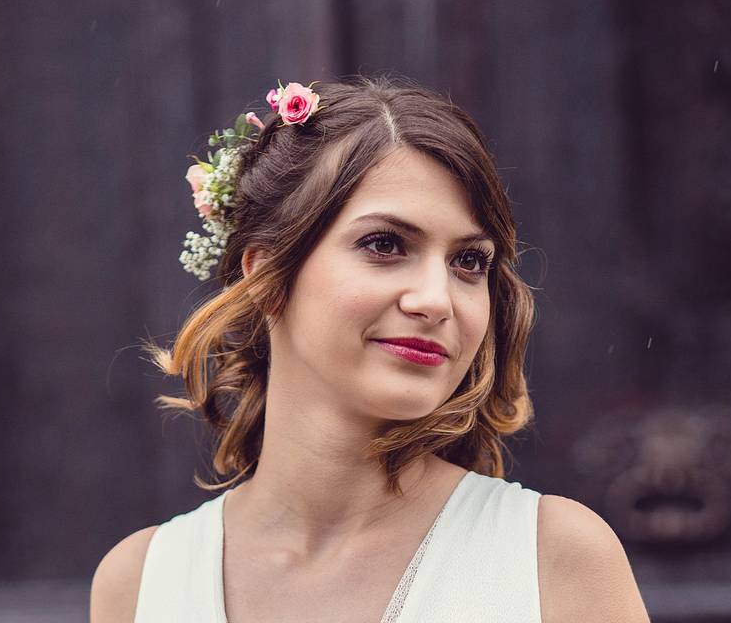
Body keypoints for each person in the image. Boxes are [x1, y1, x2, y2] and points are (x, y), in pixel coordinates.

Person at [89, 75, 650, 622]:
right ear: (265, 278)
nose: (437, 300)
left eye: (469, 262)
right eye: (384, 244)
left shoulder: (552, 559)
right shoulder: (140, 585)